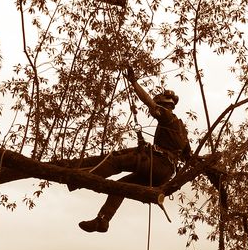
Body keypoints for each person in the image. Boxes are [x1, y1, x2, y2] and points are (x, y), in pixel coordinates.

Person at [77, 70, 192, 233]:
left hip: (156, 164)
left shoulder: (167, 116)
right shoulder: (182, 131)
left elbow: (148, 102)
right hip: (164, 174)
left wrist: (133, 82)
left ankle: (82, 179)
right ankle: (102, 220)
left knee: (117, 162)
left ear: (164, 104)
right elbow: (189, 158)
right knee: (121, 186)